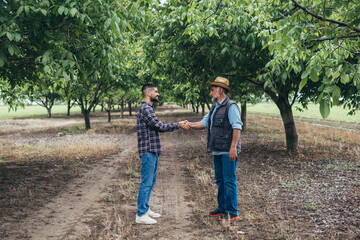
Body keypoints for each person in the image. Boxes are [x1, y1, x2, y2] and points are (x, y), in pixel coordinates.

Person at [188, 77, 242, 221]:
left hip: (227, 151)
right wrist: (188, 125)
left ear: (220, 90)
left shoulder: (231, 107)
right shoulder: (215, 107)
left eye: (212, 90)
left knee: (229, 181)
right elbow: (203, 123)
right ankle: (222, 208)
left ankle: (232, 212)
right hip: (217, 150)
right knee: (220, 179)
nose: (211, 93)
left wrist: (233, 148)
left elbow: (237, 127)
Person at [135, 83, 189, 225]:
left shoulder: (148, 108)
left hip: (152, 149)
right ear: (148, 93)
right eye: (156, 91)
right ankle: (140, 214)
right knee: (146, 182)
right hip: (148, 150)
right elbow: (159, 126)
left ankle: (145, 209)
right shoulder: (146, 109)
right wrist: (178, 124)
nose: (158, 94)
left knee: (151, 181)